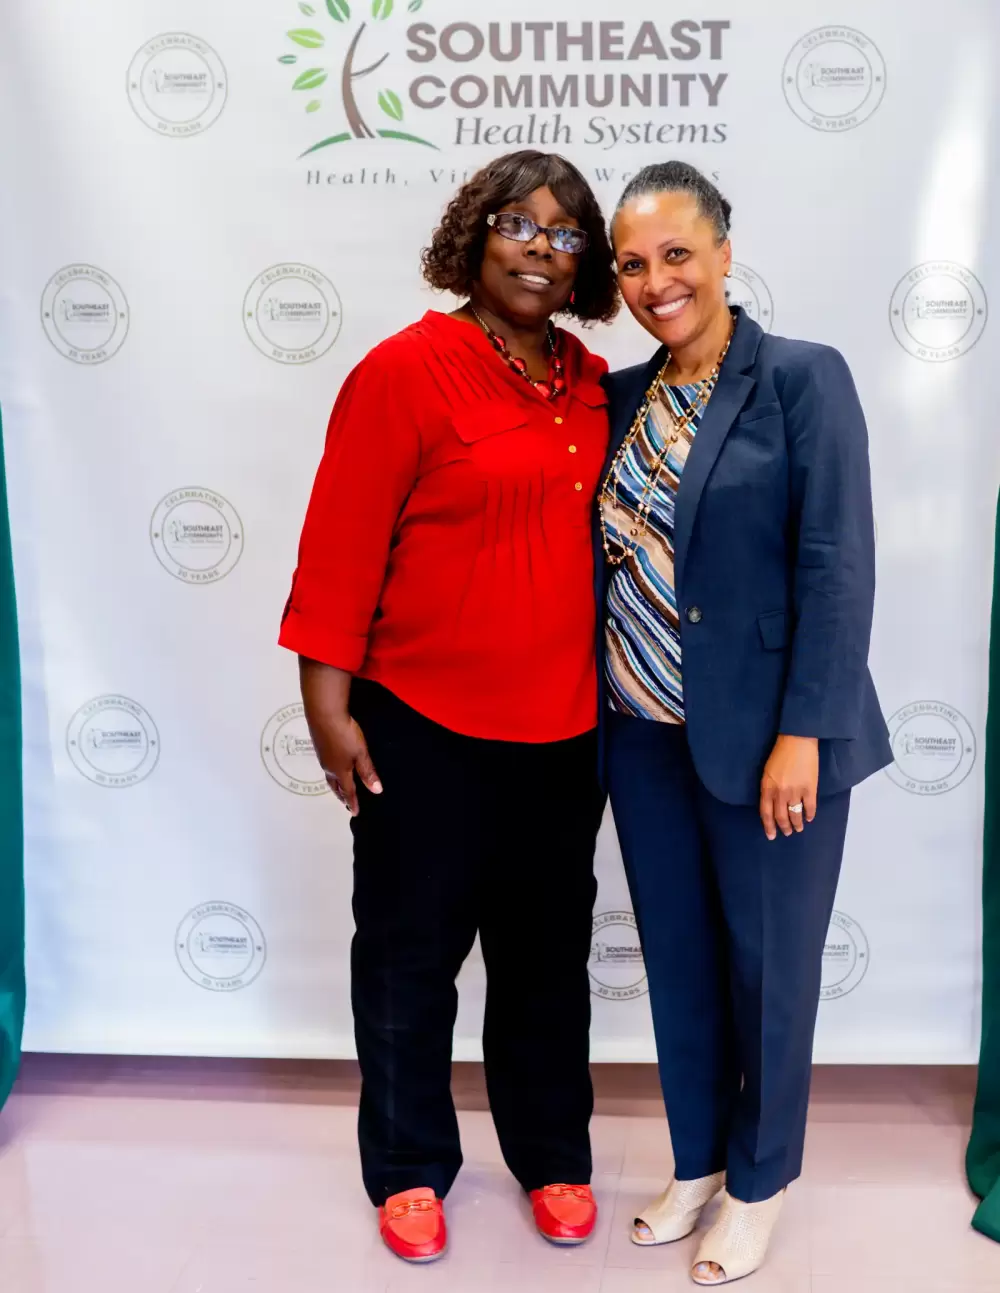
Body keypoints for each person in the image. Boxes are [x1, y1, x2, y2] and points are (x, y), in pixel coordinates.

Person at [279, 151, 618, 1264]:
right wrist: (326, 707)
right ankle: (409, 1166)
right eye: (517, 224)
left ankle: (552, 1156)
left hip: (564, 734)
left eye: (566, 235)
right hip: (421, 728)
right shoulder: (403, 372)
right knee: (408, 958)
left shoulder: (593, 385)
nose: (539, 249)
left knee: (544, 963)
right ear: (474, 236)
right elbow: (340, 548)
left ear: (584, 265)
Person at [596, 161, 892, 1285]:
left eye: (677, 253)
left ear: (724, 252)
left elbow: (836, 566)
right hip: (641, 733)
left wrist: (802, 732)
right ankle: (697, 1162)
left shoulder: (801, 378)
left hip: (773, 742)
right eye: (633, 263)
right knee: (678, 961)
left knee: (769, 971)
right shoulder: (621, 398)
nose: (655, 281)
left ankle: (760, 1184)